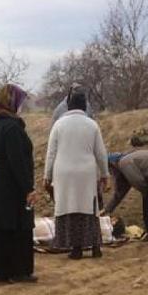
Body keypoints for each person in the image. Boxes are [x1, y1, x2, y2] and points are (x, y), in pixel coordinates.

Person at [0, 84, 38, 283]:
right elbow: (18, 160)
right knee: (16, 224)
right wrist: (28, 188)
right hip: (9, 183)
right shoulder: (11, 127)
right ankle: (17, 270)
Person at [44, 91, 110, 259]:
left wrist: (47, 176)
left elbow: (51, 153)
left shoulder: (59, 125)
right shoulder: (92, 125)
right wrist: (105, 174)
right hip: (86, 172)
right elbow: (101, 153)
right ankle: (95, 247)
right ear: (84, 105)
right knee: (89, 207)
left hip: (64, 172)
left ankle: (76, 249)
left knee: (70, 206)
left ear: (68, 105)